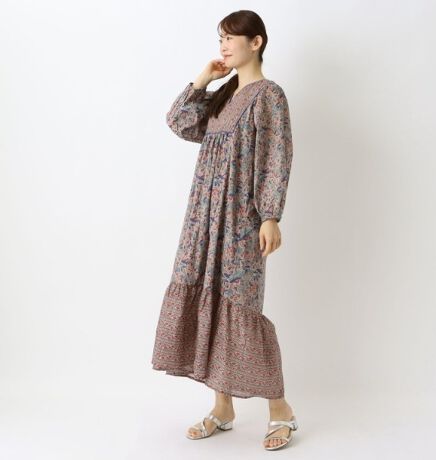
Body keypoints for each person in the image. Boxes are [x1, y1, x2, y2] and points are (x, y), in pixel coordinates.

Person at [151, 10, 297, 451]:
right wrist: (203, 79)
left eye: (231, 38)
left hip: (239, 221)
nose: (223, 46)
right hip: (203, 219)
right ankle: (223, 407)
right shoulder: (224, 95)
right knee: (209, 304)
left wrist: (269, 215)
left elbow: (276, 155)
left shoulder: (268, 95)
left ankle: (281, 410)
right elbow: (179, 122)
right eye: (220, 39)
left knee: (241, 309)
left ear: (256, 42)